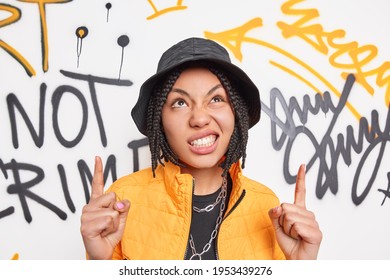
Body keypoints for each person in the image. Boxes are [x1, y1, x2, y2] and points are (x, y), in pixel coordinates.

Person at [80, 37, 322, 260]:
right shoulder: (123, 199)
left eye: (216, 99)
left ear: (236, 112)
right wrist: (100, 263)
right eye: (180, 103)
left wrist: (301, 268)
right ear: (159, 120)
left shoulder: (266, 206)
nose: (199, 118)